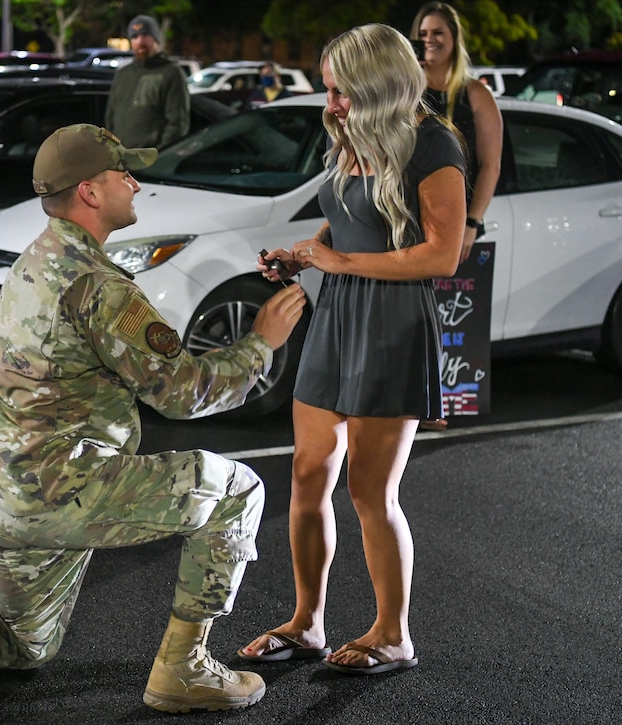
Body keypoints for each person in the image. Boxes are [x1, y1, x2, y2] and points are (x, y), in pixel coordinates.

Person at [0, 124, 306, 715]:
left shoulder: (34, 262)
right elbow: (182, 394)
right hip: (63, 489)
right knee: (237, 491)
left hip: (2, 489)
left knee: (24, 644)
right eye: (123, 173)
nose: (135, 184)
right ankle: (185, 669)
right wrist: (261, 343)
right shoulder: (100, 287)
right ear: (89, 191)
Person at [237, 25, 465, 674]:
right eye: (330, 90)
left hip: (392, 324)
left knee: (370, 493)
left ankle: (393, 634)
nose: (331, 104)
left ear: (380, 85)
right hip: (337, 316)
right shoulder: (353, 135)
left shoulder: (433, 143)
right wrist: (305, 253)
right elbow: (344, 217)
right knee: (308, 474)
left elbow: (442, 255)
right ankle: (307, 622)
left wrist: (337, 261)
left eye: (342, 91)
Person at [412, 2, 502, 431]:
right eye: (422, 33)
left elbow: (491, 165)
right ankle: (415, 399)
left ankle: (439, 401)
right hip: (411, 215)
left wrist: (473, 222)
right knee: (411, 312)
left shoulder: (474, 94)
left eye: (438, 33)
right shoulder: (407, 89)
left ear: (454, 39)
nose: (429, 41)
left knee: (448, 315)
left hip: (455, 219)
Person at [104, 14, 190, 148]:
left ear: (156, 39)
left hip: (153, 158)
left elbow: (177, 123)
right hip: (122, 157)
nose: (140, 41)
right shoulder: (123, 74)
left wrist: (159, 154)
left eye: (145, 35)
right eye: (135, 37)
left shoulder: (171, 73)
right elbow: (110, 117)